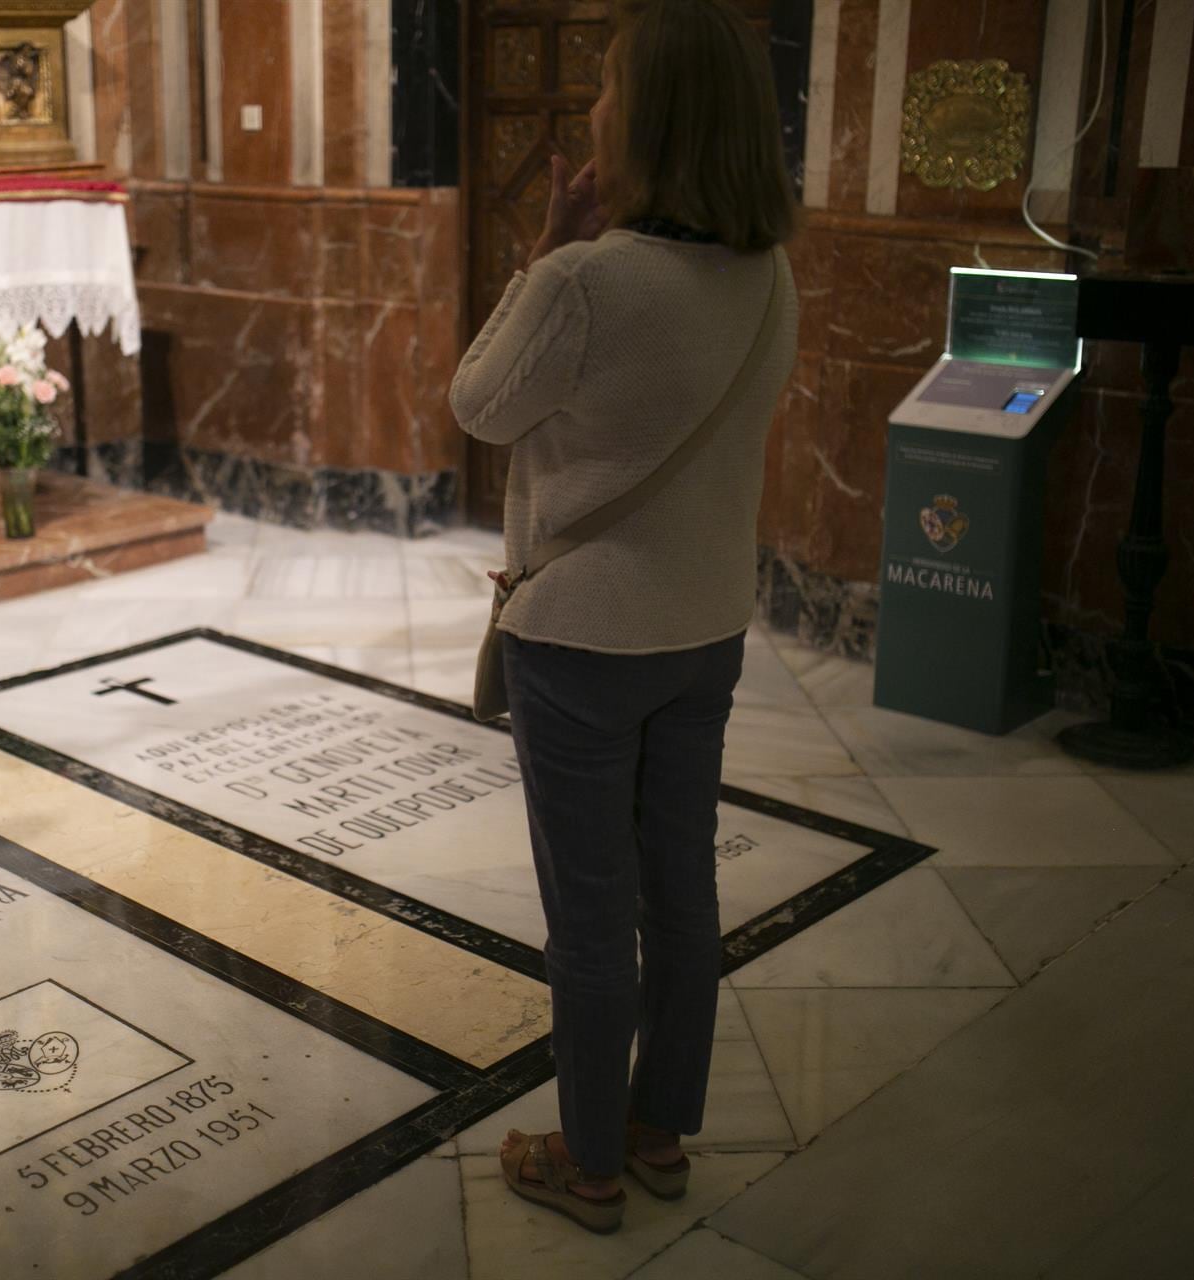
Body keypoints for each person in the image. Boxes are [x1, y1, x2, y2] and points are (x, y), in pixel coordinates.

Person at [447, 0, 799, 1234]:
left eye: (605, 90)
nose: (590, 111)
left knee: (590, 917)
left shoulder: (588, 279)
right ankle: (656, 1127)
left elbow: (478, 402)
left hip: (582, 639)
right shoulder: (768, 278)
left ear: (646, 122)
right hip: (703, 631)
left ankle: (588, 1161)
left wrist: (543, 245)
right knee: (681, 892)